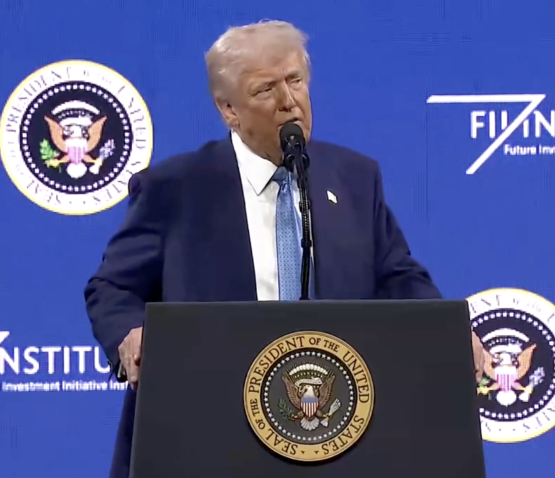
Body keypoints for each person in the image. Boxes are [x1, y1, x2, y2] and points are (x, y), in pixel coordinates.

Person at [84, 19, 484, 478]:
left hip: (337, 431)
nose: (289, 101)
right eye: (265, 89)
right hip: (211, 431)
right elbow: (112, 288)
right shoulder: (174, 188)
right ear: (229, 110)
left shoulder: (353, 178)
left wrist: (447, 333)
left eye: (295, 80)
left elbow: (397, 276)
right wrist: (130, 333)